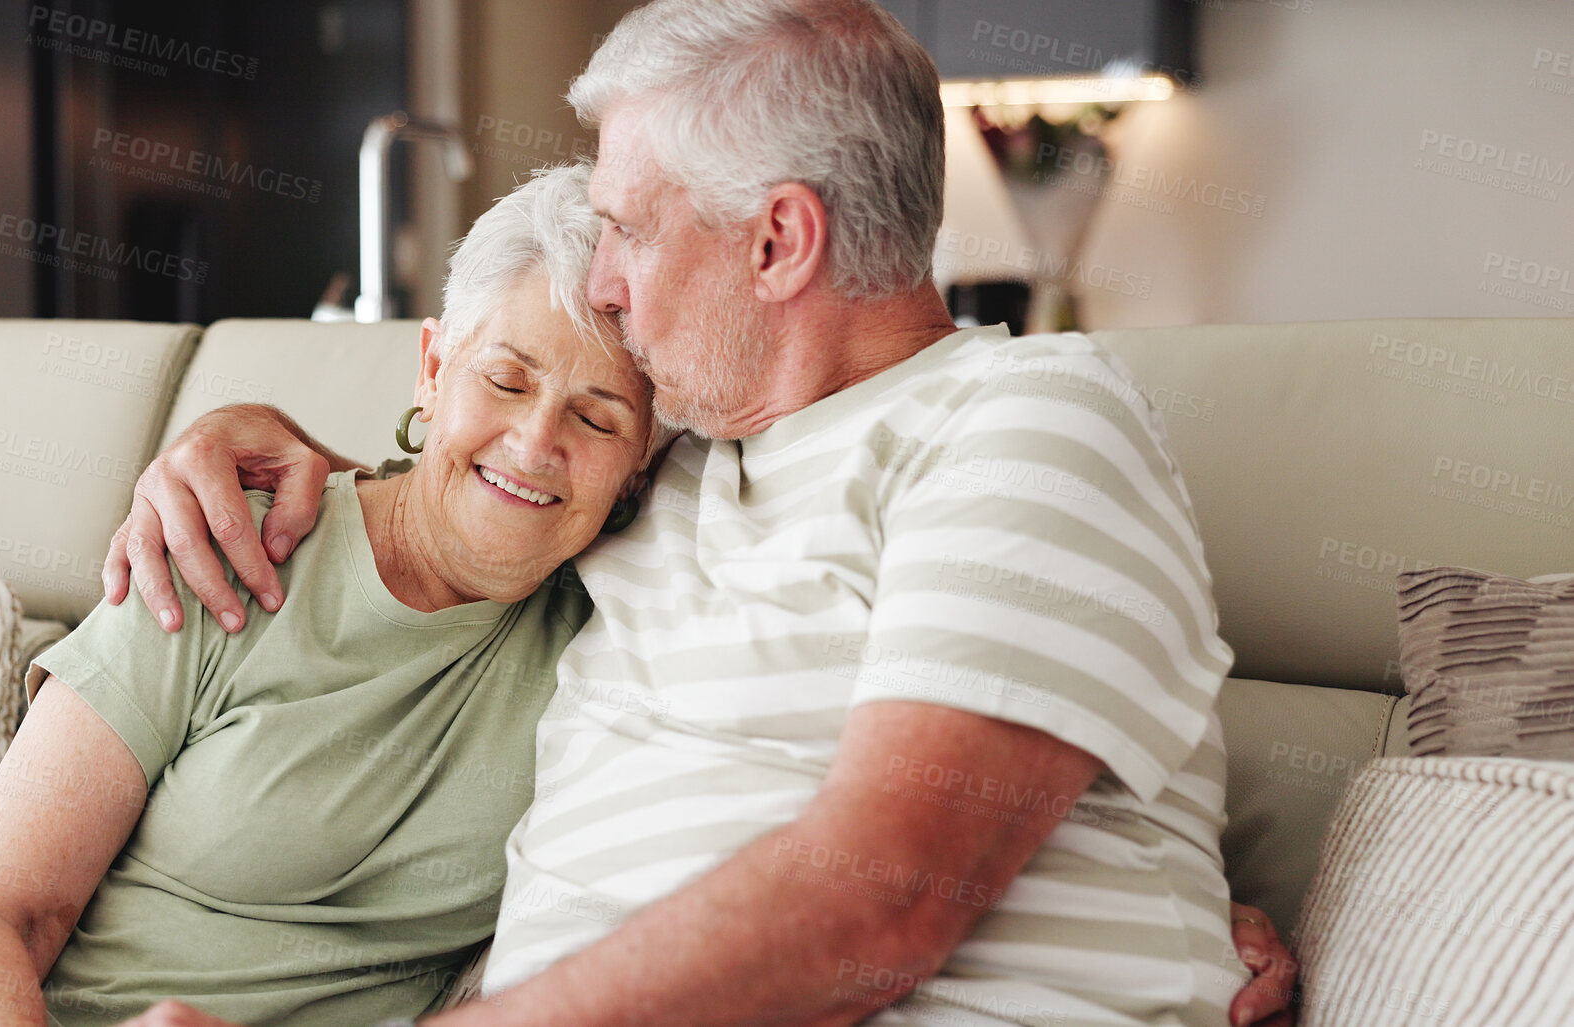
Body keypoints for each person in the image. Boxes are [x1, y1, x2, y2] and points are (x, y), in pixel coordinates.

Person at [104, 2, 1300, 1026]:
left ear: (778, 240)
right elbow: (473, 486)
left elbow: (883, 895)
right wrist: (240, 448)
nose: (604, 279)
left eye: (627, 225)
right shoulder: (660, 461)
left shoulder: (1025, 423)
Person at [0, 164, 661, 1027]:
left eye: (595, 417)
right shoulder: (230, 542)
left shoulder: (616, 644)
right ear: (431, 370)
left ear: (638, 467)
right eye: (504, 380)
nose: (535, 441)